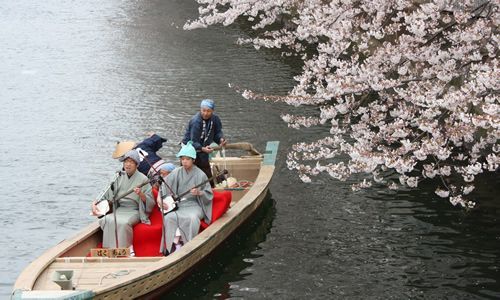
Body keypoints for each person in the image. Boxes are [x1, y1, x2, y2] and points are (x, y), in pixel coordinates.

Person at [91, 150, 155, 255]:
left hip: (134, 210)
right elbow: (106, 193)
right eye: (126, 161)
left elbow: (150, 202)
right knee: (107, 219)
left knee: (124, 222)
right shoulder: (118, 176)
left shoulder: (143, 179)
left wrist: (141, 194)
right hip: (120, 209)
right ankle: (110, 249)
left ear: (136, 164)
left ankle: (128, 248)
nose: (128, 164)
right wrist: (95, 203)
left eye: (131, 162)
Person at [158, 141, 213, 254]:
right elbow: (163, 185)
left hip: (194, 205)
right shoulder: (176, 172)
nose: (184, 162)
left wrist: (199, 193)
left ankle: (189, 246)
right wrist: (159, 198)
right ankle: (172, 246)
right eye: (182, 159)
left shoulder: (201, 174)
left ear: (193, 159)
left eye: (187, 159)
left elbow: (208, 193)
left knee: (192, 218)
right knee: (169, 217)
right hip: (179, 205)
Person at [182, 99, 227, 185]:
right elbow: (193, 141)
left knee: (206, 173)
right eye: (203, 110)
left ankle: (210, 189)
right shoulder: (196, 121)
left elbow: (217, 132)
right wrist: (202, 149)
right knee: (189, 173)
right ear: (200, 109)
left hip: (204, 149)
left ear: (212, 111)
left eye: (208, 111)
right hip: (189, 150)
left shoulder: (215, 119)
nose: (205, 113)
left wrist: (221, 139)